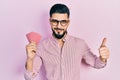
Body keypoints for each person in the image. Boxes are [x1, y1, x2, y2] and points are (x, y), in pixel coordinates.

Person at [24, 3, 110, 80]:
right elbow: (29, 77)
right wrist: (30, 59)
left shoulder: (80, 44)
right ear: (50, 21)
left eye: (63, 22)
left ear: (68, 22)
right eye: (55, 21)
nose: (59, 26)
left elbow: (96, 63)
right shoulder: (41, 46)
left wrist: (103, 58)